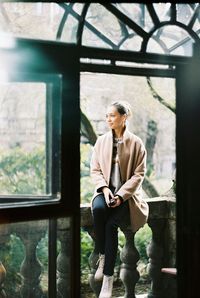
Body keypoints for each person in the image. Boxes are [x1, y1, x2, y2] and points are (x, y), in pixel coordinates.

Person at [90, 101, 149, 298]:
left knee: (111, 226)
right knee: (98, 210)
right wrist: (105, 190)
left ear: (124, 117)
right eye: (107, 115)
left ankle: (108, 280)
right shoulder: (101, 141)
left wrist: (121, 196)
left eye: (112, 115)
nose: (108, 119)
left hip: (127, 197)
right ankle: (102, 254)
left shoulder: (136, 143)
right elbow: (95, 170)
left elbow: (139, 175)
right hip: (105, 192)